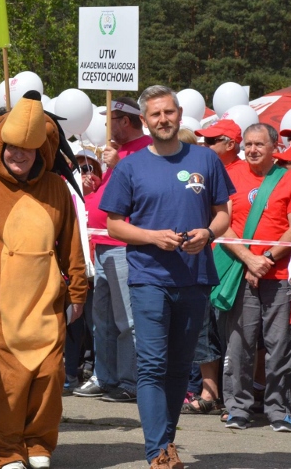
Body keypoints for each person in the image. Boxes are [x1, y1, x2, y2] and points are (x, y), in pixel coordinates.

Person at [99, 85, 232, 467]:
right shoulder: (130, 166)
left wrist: (208, 233)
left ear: (179, 114)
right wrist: (152, 237)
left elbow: (223, 214)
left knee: (178, 368)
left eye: (169, 112)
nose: (163, 119)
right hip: (149, 278)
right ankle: (157, 451)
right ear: (145, 120)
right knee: (152, 365)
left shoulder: (206, 160)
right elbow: (114, 225)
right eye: (155, 114)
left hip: (195, 278)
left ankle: (166, 443)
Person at [0, 94, 87, 469]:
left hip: (45, 302)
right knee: (0, 381)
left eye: (27, 149)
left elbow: (72, 245)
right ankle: (3, 450)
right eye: (12, 147)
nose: (19, 155)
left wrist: (78, 290)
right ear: (0, 146)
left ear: (40, 150)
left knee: (48, 375)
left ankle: (37, 441)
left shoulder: (56, 188)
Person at [218, 123, 291, 433]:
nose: (251, 150)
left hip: (278, 276)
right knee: (239, 343)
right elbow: (222, 224)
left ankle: (279, 409)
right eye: (247, 144)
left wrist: (265, 259)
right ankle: (237, 408)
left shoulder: (289, 179)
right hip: (241, 273)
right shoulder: (230, 175)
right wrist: (249, 259)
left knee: (280, 345)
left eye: (259, 144)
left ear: (274, 147)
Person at [74, 98, 151, 402]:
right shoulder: (118, 151)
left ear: (126, 121)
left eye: (111, 120)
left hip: (124, 247)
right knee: (102, 319)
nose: (107, 126)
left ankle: (130, 381)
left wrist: (120, 165)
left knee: (126, 320)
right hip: (103, 245)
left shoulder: (146, 149)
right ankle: (104, 376)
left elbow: (147, 189)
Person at [179, 118, 245, 416]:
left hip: (237, 261)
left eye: (211, 141)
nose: (203, 145)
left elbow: (224, 220)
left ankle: (234, 396)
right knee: (204, 328)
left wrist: (250, 258)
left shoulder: (242, 173)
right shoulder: (204, 170)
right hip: (209, 259)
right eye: (203, 140)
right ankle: (209, 391)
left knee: (235, 334)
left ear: (230, 144)